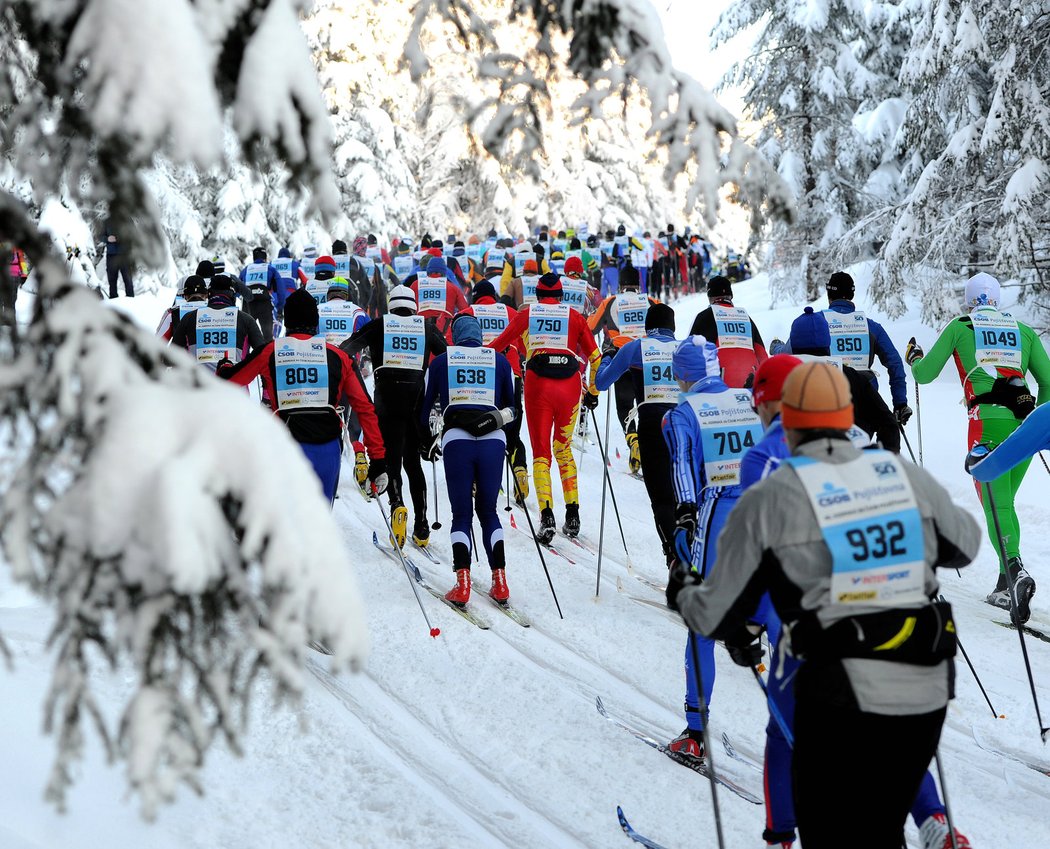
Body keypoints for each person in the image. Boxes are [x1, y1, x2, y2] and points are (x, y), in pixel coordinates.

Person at [667, 360, 980, 849]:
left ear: (784, 415)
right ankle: (933, 822)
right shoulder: (895, 469)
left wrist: (686, 589)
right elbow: (964, 544)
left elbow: (720, 603)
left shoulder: (772, 485)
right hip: (923, 673)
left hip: (832, 678)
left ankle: (780, 838)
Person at [908, 272, 1050, 621]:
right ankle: (1005, 582)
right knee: (1005, 503)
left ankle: (1016, 572)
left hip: (985, 423)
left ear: (970, 300)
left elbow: (925, 374)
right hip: (1024, 425)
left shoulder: (962, 325)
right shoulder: (1024, 330)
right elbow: (1048, 382)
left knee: (996, 503)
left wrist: (913, 357)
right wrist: (1037, 424)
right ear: (997, 299)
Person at [660, 334, 764, 762]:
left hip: (717, 513)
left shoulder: (683, 413)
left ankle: (695, 732)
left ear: (681, 376)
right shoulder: (746, 399)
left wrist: (683, 517)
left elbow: (682, 469)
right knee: (771, 620)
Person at [216, 290, 387, 503]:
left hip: (286, 448)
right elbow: (365, 407)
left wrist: (224, 367)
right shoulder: (339, 356)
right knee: (320, 523)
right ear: (316, 322)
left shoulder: (271, 351)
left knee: (287, 525)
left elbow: (230, 381)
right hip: (327, 450)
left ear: (287, 321)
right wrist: (378, 459)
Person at [487, 272, 600, 542]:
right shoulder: (575, 316)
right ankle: (573, 514)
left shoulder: (527, 314)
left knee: (541, 452)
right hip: (570, 385)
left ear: (536, 296)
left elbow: (497, 347)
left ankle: (547, 515)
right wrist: (592, 392)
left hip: (539, 385)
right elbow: (595, 359)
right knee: (562, 448)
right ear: (561, 296)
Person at [419, 314, 517, 605]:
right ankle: (499, 581)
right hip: (493, 441)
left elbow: (424, 409)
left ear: (455, 336)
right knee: (488, 511)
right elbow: (513, 407)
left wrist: (426, 442)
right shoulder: (500, 360)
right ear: (480, 334)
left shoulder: (440, 361)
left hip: (457, 440)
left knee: (461, 514)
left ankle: (462, 584)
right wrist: (509, 443)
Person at [341, 285, 448, 548]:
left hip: (387, 400)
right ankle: (422, 525)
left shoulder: (379, 325)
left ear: (391, 305)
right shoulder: (425, 327)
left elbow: (346, 348)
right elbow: (448, 356)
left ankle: (397, 506)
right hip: (415, 401)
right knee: (413, 463)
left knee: (391, 459)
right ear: (413, 306)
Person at [595, 302, 680, 562]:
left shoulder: (635, 347)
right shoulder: (688, 349)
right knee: (686, 494)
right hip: (686, 424)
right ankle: (696, 554)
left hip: (653, 424)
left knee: (661, 497)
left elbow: (601, 382)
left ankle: (675, 557)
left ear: (648, 327)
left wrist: (607, 356)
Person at [788, 306, 901, 453]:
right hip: (848, 462)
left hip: (797, 466)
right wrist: (884, 459)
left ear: (794, 344)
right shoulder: (852, 376)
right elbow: (888, 422)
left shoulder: (781, 375)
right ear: (827, 342)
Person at [459, 279, 530, 501]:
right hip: (511, 374)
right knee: (512, 431)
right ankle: (519, 471)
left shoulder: (468, 312)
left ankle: (477, 480)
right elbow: (524, 346)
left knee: (483, 430)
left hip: (482, 379)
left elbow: (453, 344)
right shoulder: (510, 312)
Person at [814, 271, 912, 421]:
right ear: (851, 295)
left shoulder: (816, 321)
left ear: (829, 295)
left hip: (829, 399)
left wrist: (777, 348)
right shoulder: (871, 326)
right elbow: (895, 363)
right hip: (866, 400)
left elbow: (792, 351)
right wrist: (900, 403)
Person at [588, 266, 659, 470]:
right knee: (645, 406)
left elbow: (591, 328)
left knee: (624, 406)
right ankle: (647, 448)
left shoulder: (610, 302)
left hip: (621, 356)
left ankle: (633, 441)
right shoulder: (651, 301)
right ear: (638, 284)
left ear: (619, 285)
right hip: (648, 358)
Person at [687, 275, 768, 388]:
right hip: (750, 383)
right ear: (730, 296)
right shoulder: (745, 317)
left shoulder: (704, 317)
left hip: (719, 386)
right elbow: (762, 354)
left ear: (710, 296)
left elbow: (688, 354)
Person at [171, 274, 264, 371]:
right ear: (232, 296)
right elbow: (264, 356)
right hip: (234, 384)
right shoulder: (246, 319)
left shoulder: (189, 318)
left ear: (208, 294)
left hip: (199, 383)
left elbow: (169, 358)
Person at [410, 256, 469, 340]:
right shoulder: (452, 287)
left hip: (420, 331)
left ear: (428, 271)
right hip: (444, 333)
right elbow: (465, 311)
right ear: (444, 272)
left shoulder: (415, 285)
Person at [239, 247, 286, 341]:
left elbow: (237, 287)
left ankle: (244, 355)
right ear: (265, 258)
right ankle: (266, 354)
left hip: (248, 304)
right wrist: (280, 307)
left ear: (254, 258)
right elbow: (280, 289)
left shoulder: (246, 270)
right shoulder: (270, 269)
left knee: (246, 336)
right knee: (267, 335)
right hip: (264, 303)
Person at [157, 275, 208, 340]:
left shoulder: (173, 313)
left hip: (180, 350)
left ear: (185, 296)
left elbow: (158, 342)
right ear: (206, 295)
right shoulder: (215, 311)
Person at [104, 227, 135, 298]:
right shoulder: (107, 221)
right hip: (111, 256)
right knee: (112, 281)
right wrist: (107, 239)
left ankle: (131, 301)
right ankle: (113, 301)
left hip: (125, 255)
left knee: (128, 280)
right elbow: (100, 236)